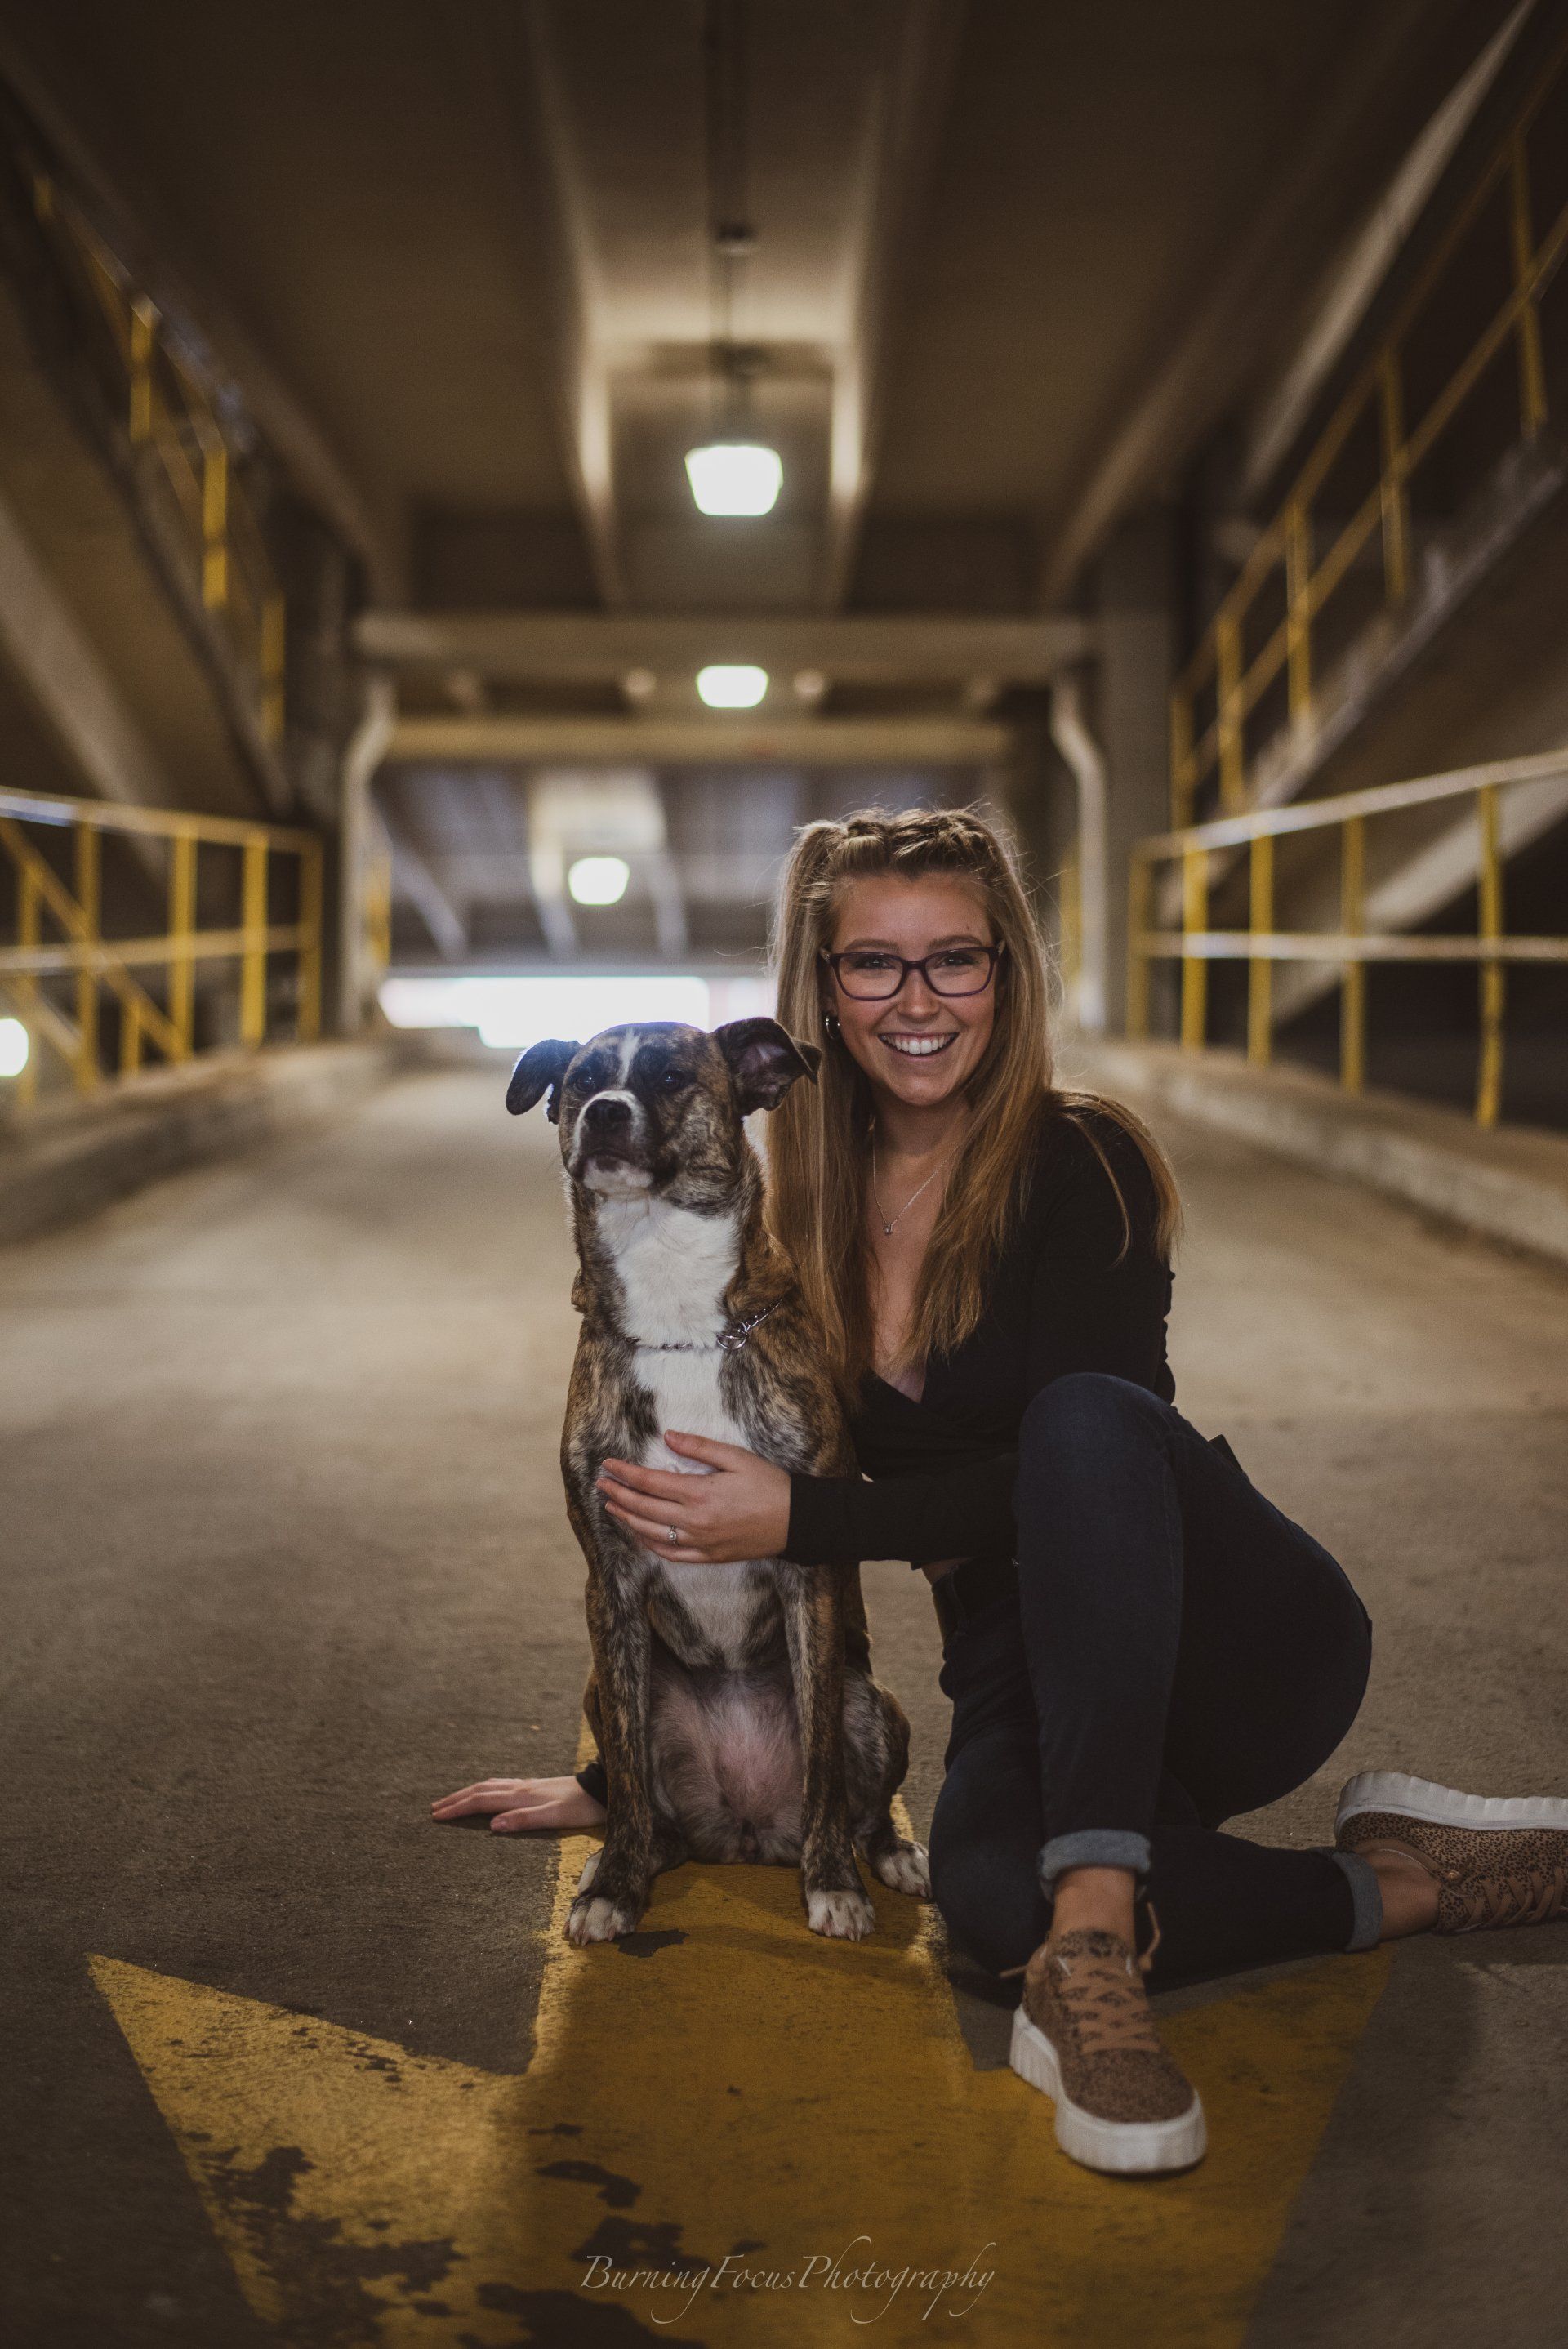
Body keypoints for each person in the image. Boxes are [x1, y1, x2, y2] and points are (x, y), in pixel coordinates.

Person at [435, 805, 1568, 2177]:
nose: (917, 1003)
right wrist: (631, 1780)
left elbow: (1077, 1468)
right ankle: (1404, 1877)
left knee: (1083, 1423)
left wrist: (806, 1520)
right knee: (977, 1900)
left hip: (1220, 1635)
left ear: (1007, 977)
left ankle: (1092, 1950)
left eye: (955, 961)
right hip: (1025, 1664)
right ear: (827, 992)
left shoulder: (1084, 1159)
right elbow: (663, 1382)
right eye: (874, 966)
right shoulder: (790, 1212)